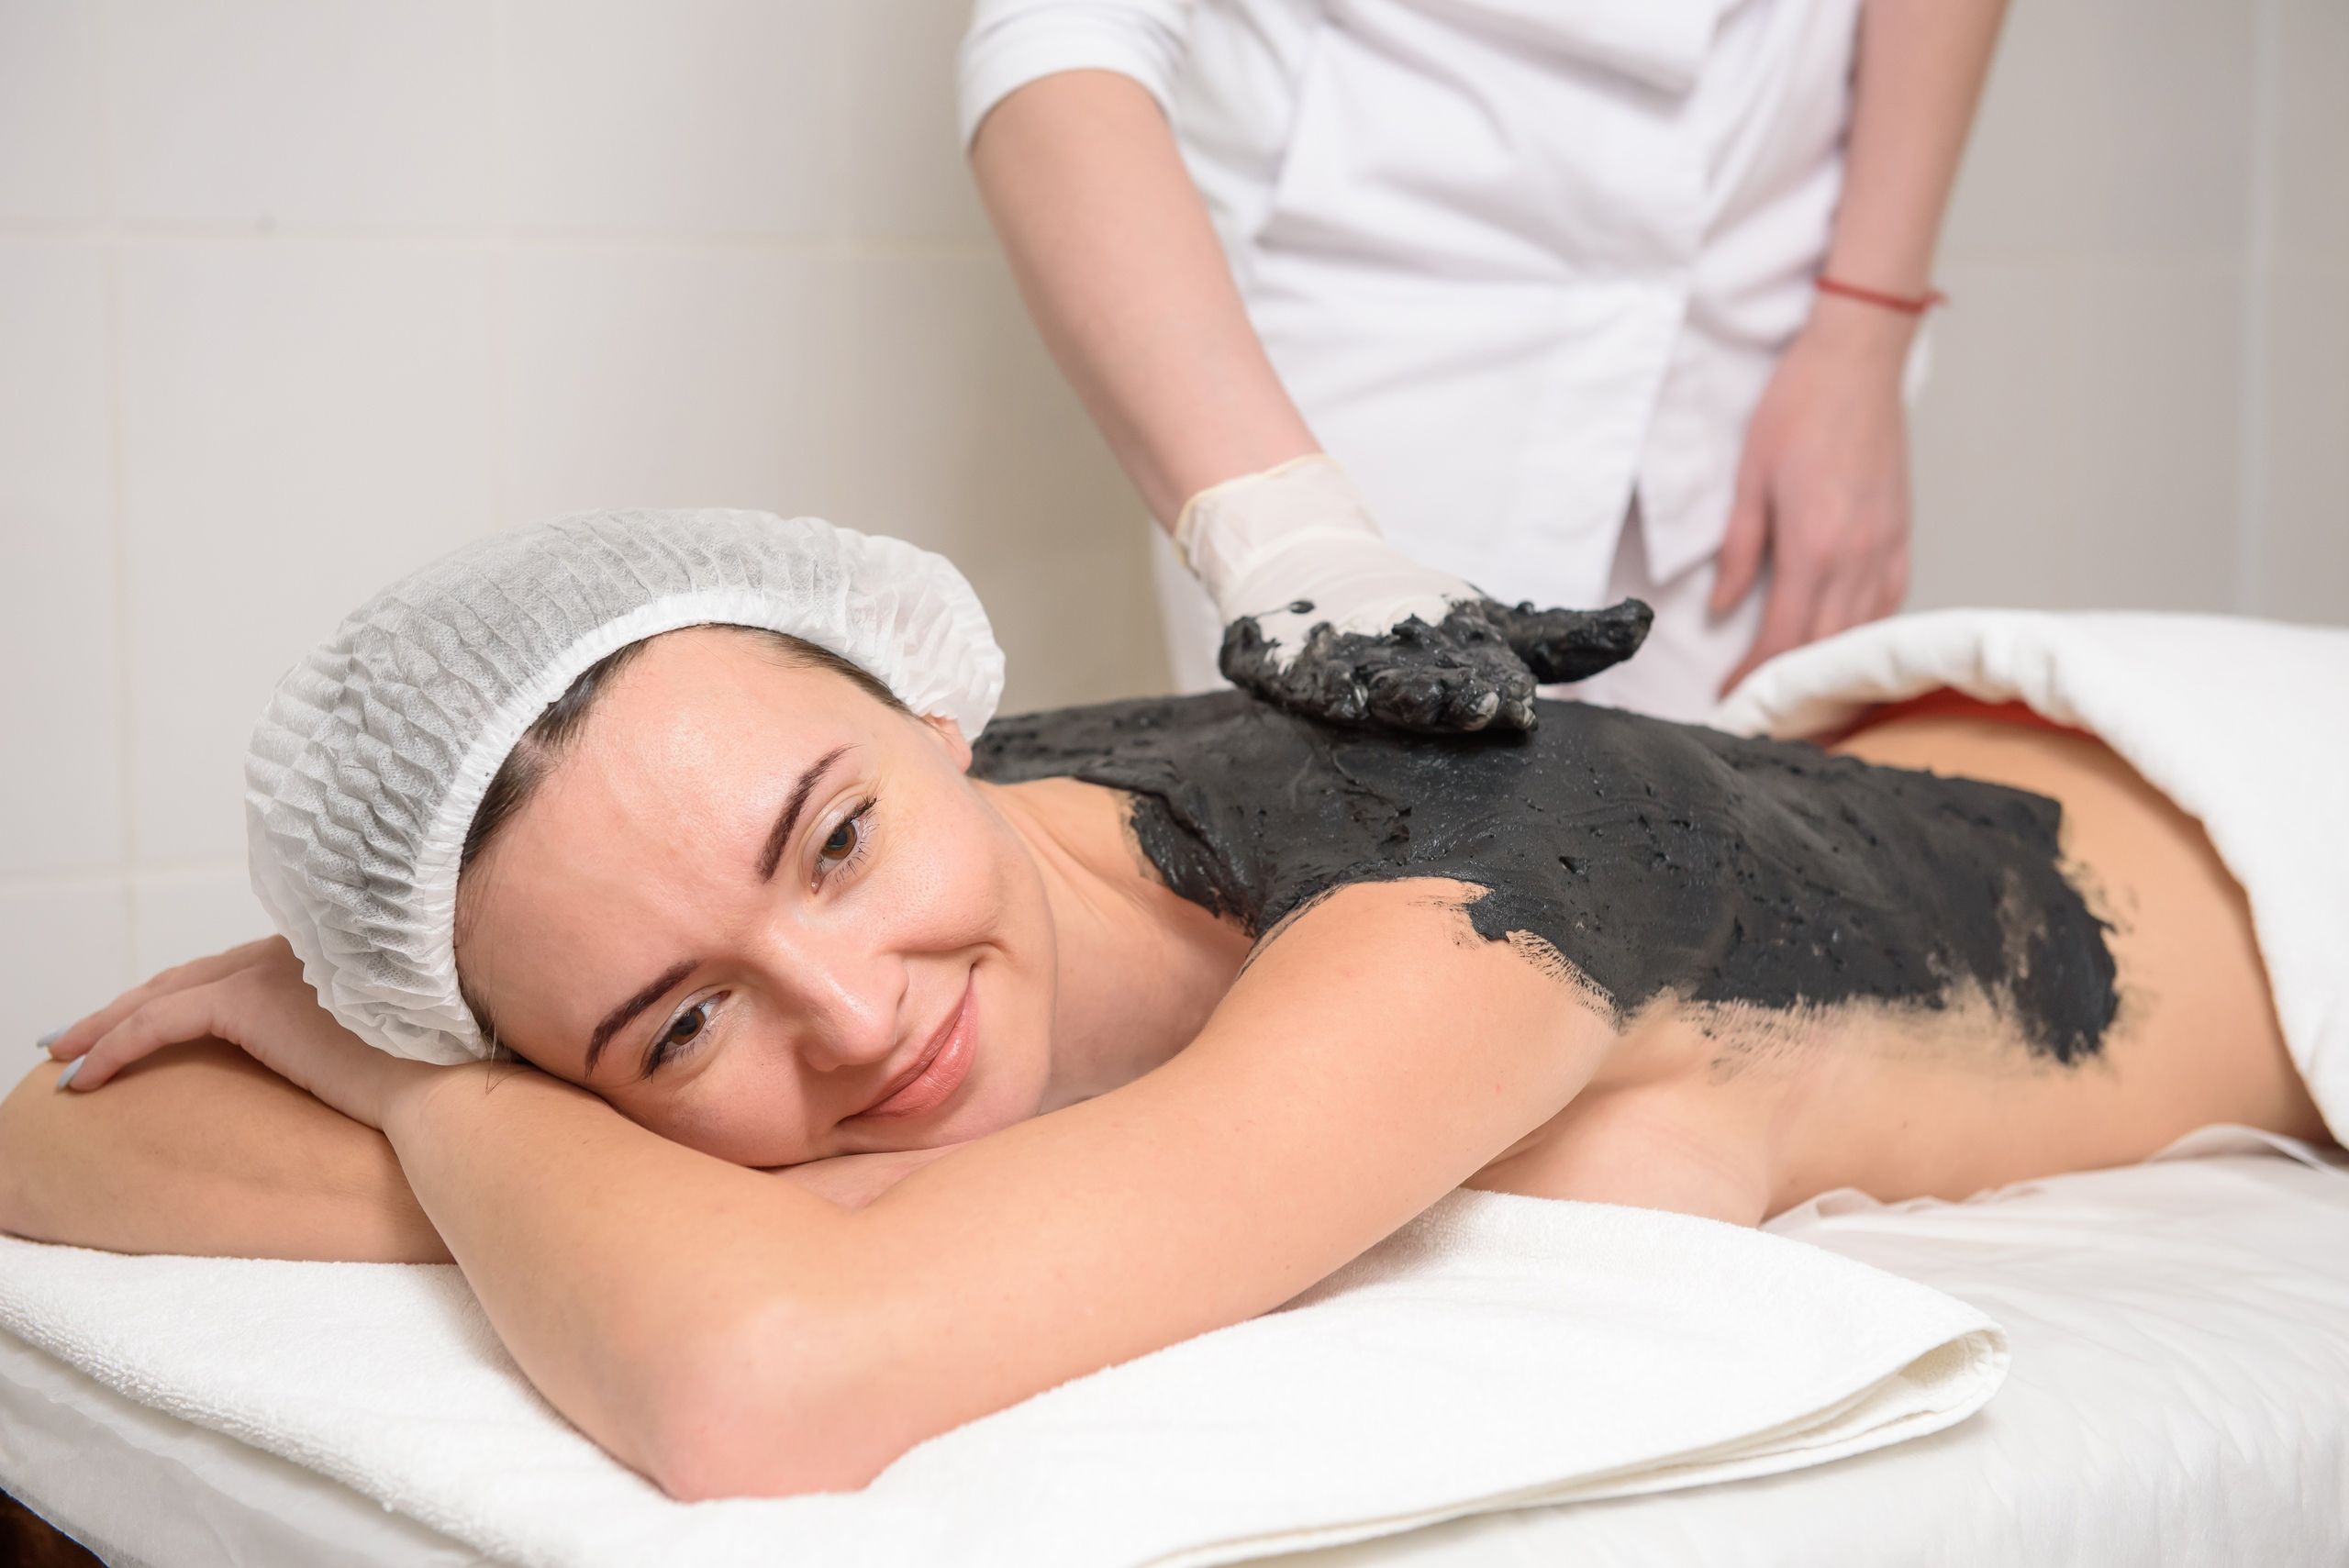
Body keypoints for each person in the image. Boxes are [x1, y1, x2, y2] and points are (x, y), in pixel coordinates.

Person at [0, 509, 2327, 1503]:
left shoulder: (1458, 896)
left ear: (931, 709)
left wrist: (400, 1089)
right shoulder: (894, 848)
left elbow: (759, 1376)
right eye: (674, 1030)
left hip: (2259, 814)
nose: (849, 1015)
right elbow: (56, 1130)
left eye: (835, 840)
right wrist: (465, 1088)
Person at [962, 0, 2009, 726]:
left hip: (1762, 308)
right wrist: (1289, 538)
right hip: (1356, 346)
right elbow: (1057, 38)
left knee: (1755, 924)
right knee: (1392, 915)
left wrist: (1863, 331)